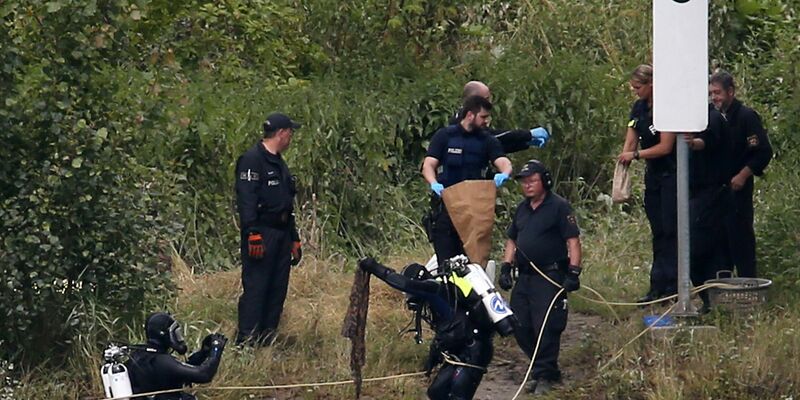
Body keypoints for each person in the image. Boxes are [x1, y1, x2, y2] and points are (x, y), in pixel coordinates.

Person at [358, 256, 513, 400]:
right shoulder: (440, 295)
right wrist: (435, 354)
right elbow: (448, 329)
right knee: (436, 392)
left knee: (457, 395)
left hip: (475, 351)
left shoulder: (434, 289)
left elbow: (404, 284)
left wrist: (374, 267)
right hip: (459, 350)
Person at [498, 160, 582, 395]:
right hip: (524, 276)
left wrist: (574, 272)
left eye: (532, 180)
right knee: (518, 323)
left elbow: (573, 241)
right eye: (524, 182)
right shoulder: (522, 209)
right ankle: (542, 368)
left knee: (546, 324)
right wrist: (506, 266)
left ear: (544, 181)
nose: (527, 186)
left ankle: (546, 373)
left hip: (550, 274)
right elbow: (512, 239)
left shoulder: (559, 207)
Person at [234, 112, 303, 345]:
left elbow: (286, 201)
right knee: (257, 287)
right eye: (290, 133)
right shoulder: (253, 160)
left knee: (277, 288)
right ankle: (247, 341)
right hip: (261, 232)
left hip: (282, 232)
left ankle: (267, 339)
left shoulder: (279, 162)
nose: (291, 137)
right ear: (282, 133)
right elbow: (246, 199)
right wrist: (251, 232)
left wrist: (294, 237)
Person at [422, 95, 513, 268]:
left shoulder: (487, 140)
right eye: (483, 117)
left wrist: (504, 173)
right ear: (470, 115)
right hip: (448, 207)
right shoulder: (445, 136)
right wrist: (433, 183)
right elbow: (428, 164)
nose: (487, 121)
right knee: (447, 265)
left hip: (474, 212)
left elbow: (504, 162)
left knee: (473, 264)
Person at [617, 64, 678, 303]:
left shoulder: (665, 109)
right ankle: (657, 285)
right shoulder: (639, 108)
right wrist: (624, 159)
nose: (636, 91)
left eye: (639, 87)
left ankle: (673, 285)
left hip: (670, 174)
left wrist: (637, 156)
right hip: (653, 176)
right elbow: (632, 136)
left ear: (652, 85)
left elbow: (665, 147)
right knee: (658, 232)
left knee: (671, 230)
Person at [709, 70, 773, 278]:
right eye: (711, 94)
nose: (715, 98)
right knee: (718, 240)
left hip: (738, 187)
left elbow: (763, 152)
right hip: (716, 187)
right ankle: (722, 286)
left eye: (717, 93)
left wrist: (744, 175)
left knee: (741, 237)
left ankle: (748, 283)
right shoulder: (712, 117)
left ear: (731, 92)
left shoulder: (746, 116)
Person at [685, 104, 733, 312]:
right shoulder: (690, 117)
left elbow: (706, 141)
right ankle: (709, 299)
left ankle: (714, 298)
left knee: (698, 247)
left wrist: (692, 143)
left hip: (712, 193)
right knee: (699, 248)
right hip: (696, 192)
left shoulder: (712, 118)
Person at [126, 312, 227, 400]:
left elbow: (178, 372)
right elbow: (204, 375)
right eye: (175, 333)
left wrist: (203, 353)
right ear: (165, 334)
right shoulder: (161, 361)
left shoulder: (139, 355)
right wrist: (216, 350)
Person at [449, 81, 551, 153]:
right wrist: (528, 134)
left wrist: (525, 143)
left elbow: (495, 145)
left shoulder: (474, 120)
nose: (489, 102)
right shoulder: (461, 121)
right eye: (487, 98)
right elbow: (492, 137)